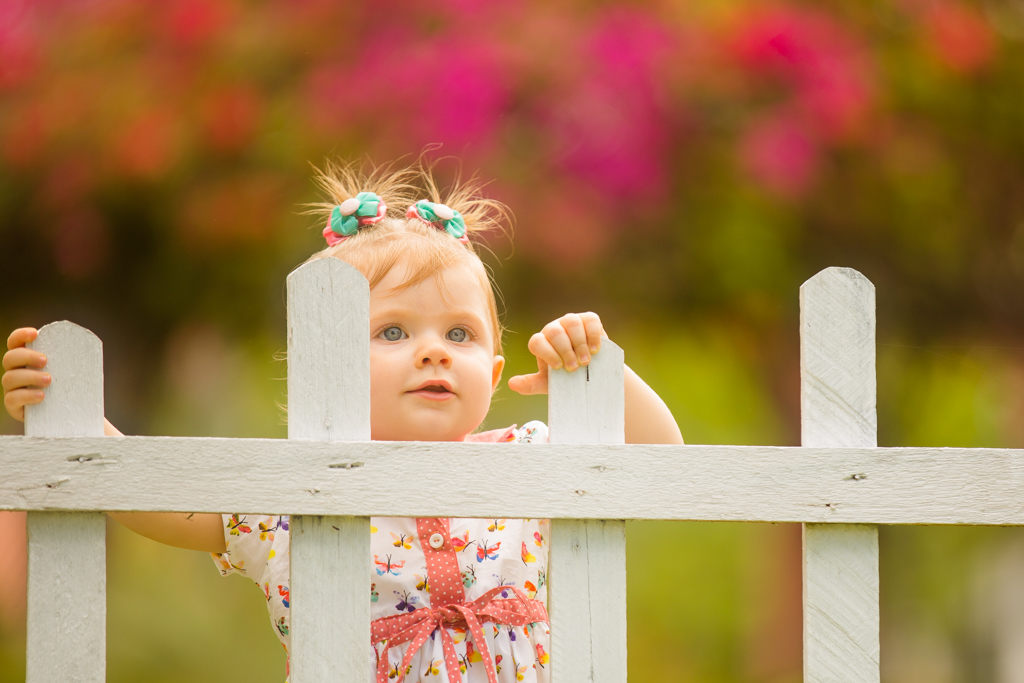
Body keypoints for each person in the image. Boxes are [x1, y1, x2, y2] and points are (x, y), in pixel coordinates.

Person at [2, 160, 684, 683]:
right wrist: (75, 425)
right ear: (323, 368)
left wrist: (602, 372)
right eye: (392, 331)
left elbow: (664, 462)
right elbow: (161, 503)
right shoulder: (290, 495)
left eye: (460, 332)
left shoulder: (529, 458)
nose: (432, 349)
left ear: (497, 369)